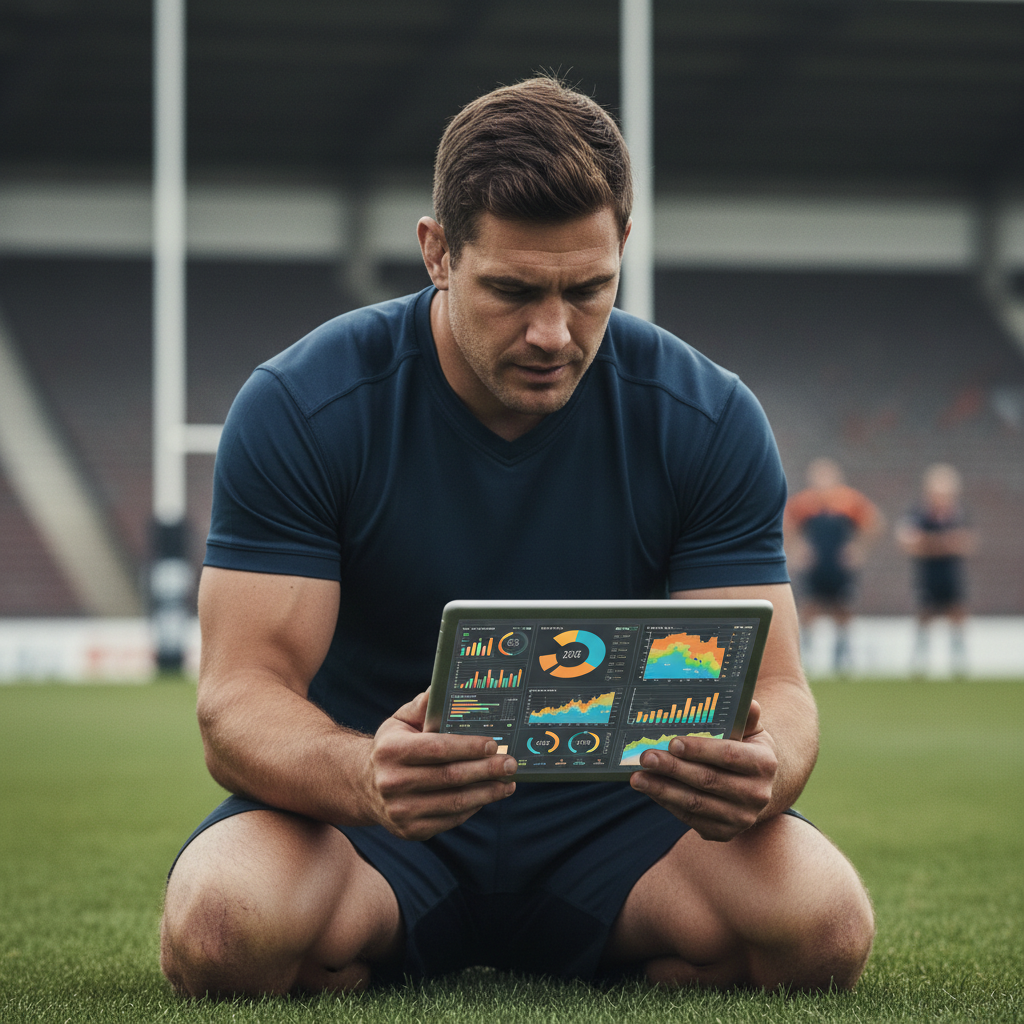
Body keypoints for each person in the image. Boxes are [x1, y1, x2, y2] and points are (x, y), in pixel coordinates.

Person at [159, 76, 874, 998]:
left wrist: (761, 774)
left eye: (588, 290)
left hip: (620, 824)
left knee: (822, 932)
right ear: (436, 253)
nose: (552, 333)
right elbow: (237, 700)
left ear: (623, 245)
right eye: (511, 289)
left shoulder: (707, 417)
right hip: (372, 824)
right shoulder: (304, 406)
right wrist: (365, 774)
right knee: (222, 933)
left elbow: (777, 688)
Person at [784, 459, 883, 674]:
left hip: (839, 566)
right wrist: (797, 549)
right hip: (815, 566)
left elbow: (874, 521)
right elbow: (786, 523)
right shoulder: (805, 503)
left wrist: (857, 549)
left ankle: (841, 658)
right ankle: (805, 658)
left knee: (843, 609)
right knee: (810, 607)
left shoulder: (848, 501)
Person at [896, 463, 976, 675]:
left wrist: (930, 543)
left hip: (951, 574)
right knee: (924, 615)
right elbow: (910, 543)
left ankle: (959, 662)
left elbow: (966, 543)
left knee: (957, 613)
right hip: (928, 574)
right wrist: (944, 543)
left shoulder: (959, 514)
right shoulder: (918, 513)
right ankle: (919, 662)